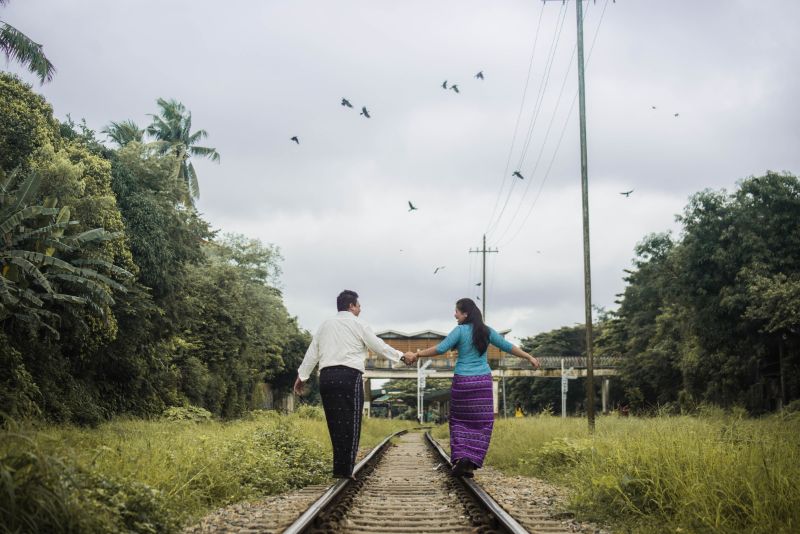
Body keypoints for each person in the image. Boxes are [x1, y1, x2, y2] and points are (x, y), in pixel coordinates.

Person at [404, 298, 539, 478]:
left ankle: (462, 458)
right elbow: (508, 346)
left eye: (457, 312)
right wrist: (528, 356)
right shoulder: (486, 331)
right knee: (482, 422)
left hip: (463, 382)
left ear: (465, 314)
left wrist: (417, 354)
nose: (455, 314)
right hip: (482, 382)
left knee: (459, 420)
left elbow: (441, 348)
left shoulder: (460, 330)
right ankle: (471, 461)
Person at [294, 290, 412, 479]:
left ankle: (339, 469)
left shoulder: (325, 325)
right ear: (351, 306)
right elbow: (378, 346)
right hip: (348, 376)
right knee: (351, 423)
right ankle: (345, 471)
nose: (360, 308)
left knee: (335, 423)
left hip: (326, 377)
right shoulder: (359, 324)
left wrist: (302, 376)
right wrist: (401, 356)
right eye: (358, 305)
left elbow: (312, 353)